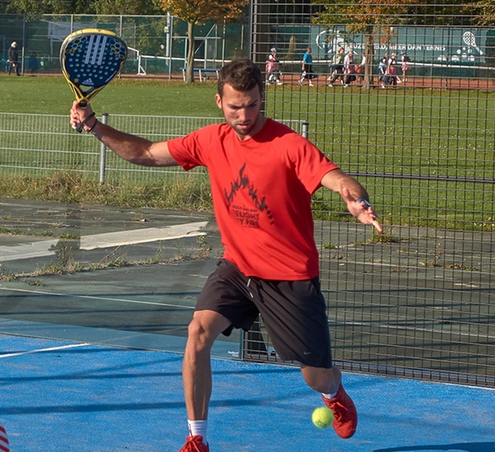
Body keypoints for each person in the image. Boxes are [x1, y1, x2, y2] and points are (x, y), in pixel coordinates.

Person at [69, 59, 383, 451]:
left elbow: (335, 177)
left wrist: (356, 199)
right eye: (235, 106)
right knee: (197, 334)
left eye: (252, 105)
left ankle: (334, 392)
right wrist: (96, 126)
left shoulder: (288, 144)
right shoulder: (209, 140)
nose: (245, 114)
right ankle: (196, 438)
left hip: (289, 276)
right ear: (219, 101)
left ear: (262, 99)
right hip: (238, 266)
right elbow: (147, 153)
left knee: (314, 376)